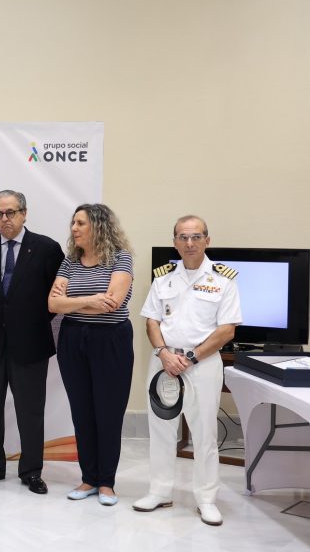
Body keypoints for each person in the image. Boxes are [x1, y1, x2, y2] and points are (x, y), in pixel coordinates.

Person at [133, 216, 241, 527]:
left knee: (204, 433)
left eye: (196, 237)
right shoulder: (163, 278)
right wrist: (164, 354)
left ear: (207, 240)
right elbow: (152, 321)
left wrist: (191, 358)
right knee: (161, 430)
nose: (189, 243)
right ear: (175, 242)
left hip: (202, 365)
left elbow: (227, 330)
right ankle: (159, 491)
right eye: (183, 237)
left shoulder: (223, 280)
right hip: (164, 362)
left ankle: (206, 499)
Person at [0, 190, 64, 494]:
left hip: (31, 344)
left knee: (30, 411)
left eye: (10, 212)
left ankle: (32, 471)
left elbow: (56, 296)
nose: (5, 219)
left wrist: (31, 320)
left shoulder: (47, 248)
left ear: (24, 213)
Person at [48, 203, 134, 506]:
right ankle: (88, 478)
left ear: (99, 226)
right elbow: (53, 305)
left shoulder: (120, 258)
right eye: (73, 223)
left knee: (108, 413)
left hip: (111, 340)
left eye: (80, 223)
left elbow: (112, 303)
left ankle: (106, 482)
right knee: (82, 412)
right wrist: (90, 300)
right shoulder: (70, 261)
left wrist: (73, 301)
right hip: (73, 339)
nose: (74, 228)